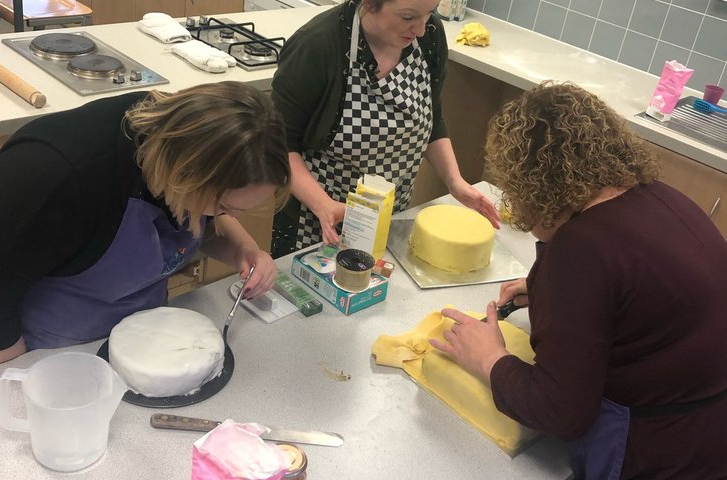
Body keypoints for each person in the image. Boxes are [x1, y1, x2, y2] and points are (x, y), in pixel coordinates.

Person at [430, 82, 727, 479]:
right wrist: (555, 294)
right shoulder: (663, 197)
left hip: (654, 452)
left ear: (530, 183)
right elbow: (642, 301)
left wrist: (489, 358)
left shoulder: (582, 249)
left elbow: (560, 412)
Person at [0, 81, 290, 370]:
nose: (225, 216)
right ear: (185, 173)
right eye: (223, 207)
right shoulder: (49, 179)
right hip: (48, 351)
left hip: (145, 337)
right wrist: (25, 386)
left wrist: (245, 251)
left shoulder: (192, 159)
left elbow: (202, 219)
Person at [270, 0, 500, 252]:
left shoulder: (429, 36)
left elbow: (431, 117)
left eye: (429, 14)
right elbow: (278, 145)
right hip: (314, 218)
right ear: (369, 3)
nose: (420, 29)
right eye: (408, 17)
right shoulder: (317, 45)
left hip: (388, 215)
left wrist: (455, 181)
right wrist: (323, 205)